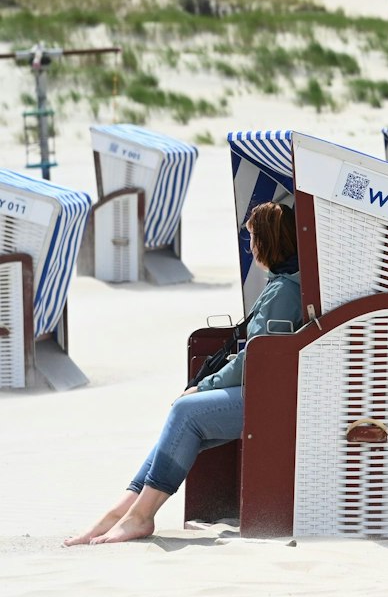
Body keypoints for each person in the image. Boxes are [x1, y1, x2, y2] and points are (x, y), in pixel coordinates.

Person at [65, 202, 304, 546]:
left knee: (185, 412)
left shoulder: (284, 290)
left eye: (253, 239)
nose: (250, 248)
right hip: (268, 390)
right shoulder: (283, 282)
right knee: (183, 422)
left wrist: (202, 386)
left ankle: (140, 515)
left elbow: (257, 359)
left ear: (268, 241)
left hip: (272, 397)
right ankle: (125, 509)